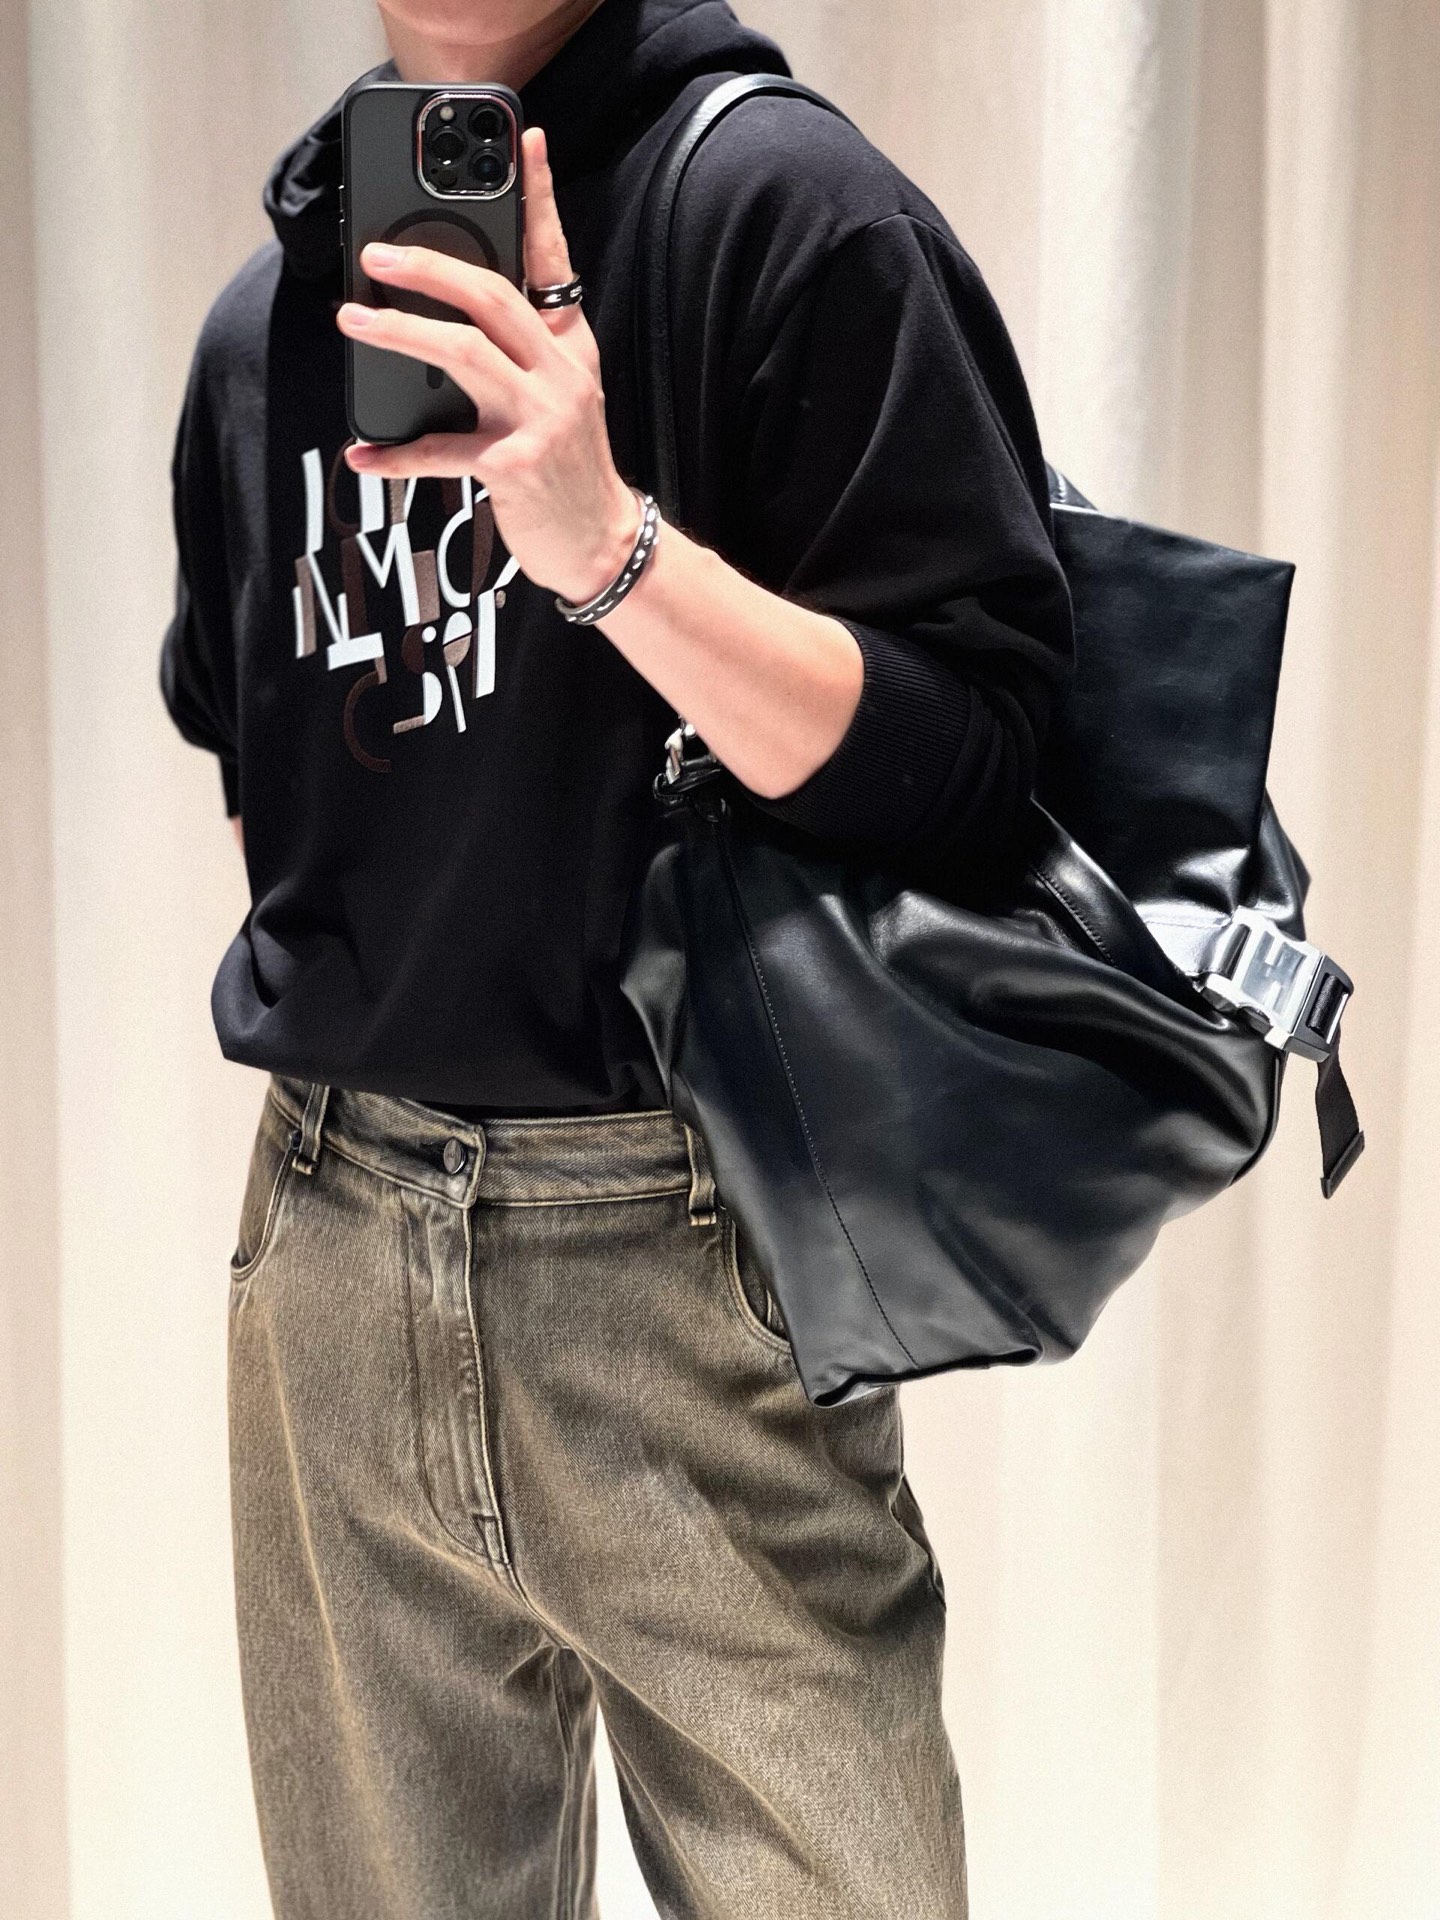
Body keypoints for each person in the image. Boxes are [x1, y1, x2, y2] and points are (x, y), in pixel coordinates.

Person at [160, 0, 1073, 1913]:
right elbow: (265, 792)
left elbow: (979, 765)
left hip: (690, 1257)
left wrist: (606, 548)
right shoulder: (271, 326)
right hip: (336, 1260)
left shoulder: (783, 215)